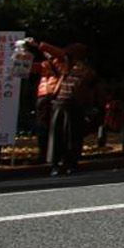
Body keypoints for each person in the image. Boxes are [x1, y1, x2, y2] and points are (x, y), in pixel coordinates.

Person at [48, 44, 97, 176]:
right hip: (60, 103)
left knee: (71, 135)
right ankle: (56, 163)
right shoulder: (65, 69)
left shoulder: (85, 71)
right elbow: (50, 54)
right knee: (58, 135)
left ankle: (70, 163)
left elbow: (86, 88)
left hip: (73, 105)